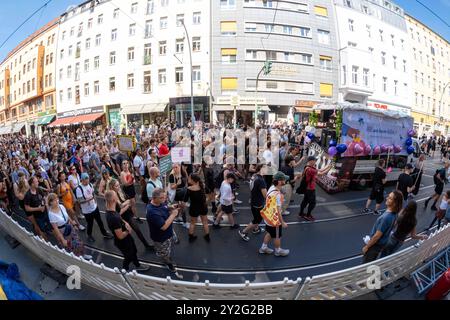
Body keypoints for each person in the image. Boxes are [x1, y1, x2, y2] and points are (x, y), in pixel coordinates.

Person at [105, 191, 149, 272]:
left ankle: (137, 265)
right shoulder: (113, 218)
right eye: (116, 196)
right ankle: (125, 269)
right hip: (122, 241)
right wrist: (129, 231)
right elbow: (120, 236)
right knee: (129, 256)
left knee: (134, 250)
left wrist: (125, 223)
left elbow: (119, 215)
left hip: (126, 238)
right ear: (114, 199)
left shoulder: (111, 210)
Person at [108, 179, 153, 249]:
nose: (119, 187)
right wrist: (127, 204)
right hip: (121, 218)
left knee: (137, 229)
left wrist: (126, 204)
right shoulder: (112, 197)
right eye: (116, 186)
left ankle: (146, 245)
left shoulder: (120, 191)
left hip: (127, 215)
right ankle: (129, 251)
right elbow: (118, 212)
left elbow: (126, 201)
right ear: (112, 187)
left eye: (118, 185)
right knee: (126, 235)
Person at [362, 191, 403, 263]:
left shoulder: (386, 217)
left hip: (374, 246)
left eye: (390, 198)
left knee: (366, 264)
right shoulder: (395, 214)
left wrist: (367, 247)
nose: (387, 198)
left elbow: (377, 236)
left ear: (395, 203)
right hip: (382, 244)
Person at [146, 188, 178, 272]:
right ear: (154, 198)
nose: (164, 199)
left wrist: (170, 207)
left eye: (164, 197)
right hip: (161, 238)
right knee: (164, 254)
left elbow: (164, 207)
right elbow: (163, 227)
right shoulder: (152, 212)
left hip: (169, 232)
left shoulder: (160, 203)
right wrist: (173, 215)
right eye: (162, 198)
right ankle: (168, 264)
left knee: (169, 248)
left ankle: (167, 257)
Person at [47, 193, 88, 258]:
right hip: (62, 231)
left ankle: (82, 254)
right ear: (50, 203)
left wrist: (73, 224)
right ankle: (75, 257)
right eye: (55, 200)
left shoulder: (61, 206)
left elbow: (67, 216)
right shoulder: (51, 214)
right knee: (70, 245)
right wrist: (62, 239)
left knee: (78, 241)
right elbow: (56, 229)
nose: (57, 201)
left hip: (69, 226)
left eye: (57, 199)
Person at [75, 173, 113, 243]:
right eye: (86, 180)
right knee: (90, 224)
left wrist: (95, 202)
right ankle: (89, 235)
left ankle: (104, 233)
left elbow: (93, 194)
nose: (87, 181)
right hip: (87, 211)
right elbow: (80, 201)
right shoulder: (79, 189)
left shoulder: (90, 185)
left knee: (100, 222)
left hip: (94, 207)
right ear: (82, 180)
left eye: (88, 179)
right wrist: (89, 200)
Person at [259, 171, 290, 257]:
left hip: (268, 217)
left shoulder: (272, 187)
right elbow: (278, 210)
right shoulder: (277, 195)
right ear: (280, 182)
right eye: (284, 180)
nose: (285, 181)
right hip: (274, 220)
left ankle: (263, 248)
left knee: (269, 233)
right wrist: (282, 222)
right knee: (277, 236)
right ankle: (278, 251)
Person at [298, 156, 332, 221]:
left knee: (305, 201)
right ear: (311, 161)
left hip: (307, 188)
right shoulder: (310, 169)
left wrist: (328, 166)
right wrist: (329, 168)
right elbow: (321, 173)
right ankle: (308, 215)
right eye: (314, 160)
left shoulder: (308, 167)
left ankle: (301, 213)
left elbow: (320, 170)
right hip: (310, 189)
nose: (315, 161)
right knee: (312, 203)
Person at [238, 165, 267, 242]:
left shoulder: (254, 176)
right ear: (261, 169)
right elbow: (265, 195)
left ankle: (256, 229)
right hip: (258, 203)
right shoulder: (261, 180)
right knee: (257, 219)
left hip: (254, 200)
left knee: (256, 217)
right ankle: (243, 232)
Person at [183, 173, 210, 242]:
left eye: (189, 178)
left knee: (192, 223)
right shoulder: (203, 186)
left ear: (193, 180)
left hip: (194, 208)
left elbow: (185, 201)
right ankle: (207, 236)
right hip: (203, 207)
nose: (188, 179)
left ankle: (191, 236)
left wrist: (185, 206)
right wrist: (206, 200)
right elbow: (209, 193)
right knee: (205, 222)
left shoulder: (189, 189)